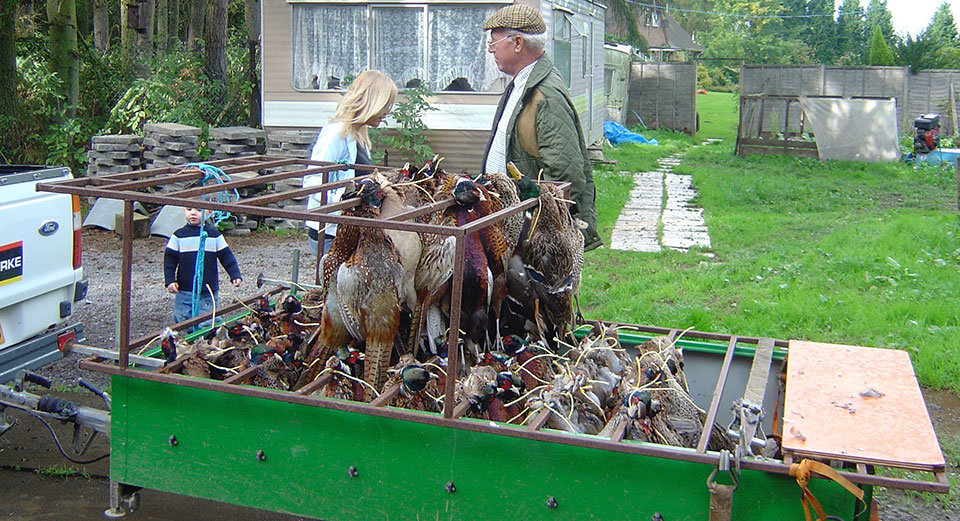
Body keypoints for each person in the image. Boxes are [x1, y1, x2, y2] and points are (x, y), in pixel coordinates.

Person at [480, 4, 603, 252]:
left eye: (494, 43)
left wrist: (534, 228)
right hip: (510, 219)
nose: (491, 50)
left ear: (517, 43)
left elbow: (565, 176)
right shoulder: (521, 84)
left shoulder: (546, 95)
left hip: (530, 232)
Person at [304, 69, 398, 255]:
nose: (387, 112)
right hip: (331, 235)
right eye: (385, 105)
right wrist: (349, 199)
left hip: (349, 230)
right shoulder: (335, 134)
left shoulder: (359, 134)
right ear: (371, 102)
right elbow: (312, 182)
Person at [164, 207, 242, 327]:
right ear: (184, 211)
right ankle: (190, 341)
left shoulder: (214, 236)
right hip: (184, 289)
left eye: (199, 210)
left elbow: (227, 257)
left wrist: (235, 275)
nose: (193, 213)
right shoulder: (179, 236)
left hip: (207, 289)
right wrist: (170, 281)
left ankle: (208, 340)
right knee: (182, 318)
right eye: (189, 209)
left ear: (209, 212)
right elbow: (169, 260)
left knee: (207, 320)